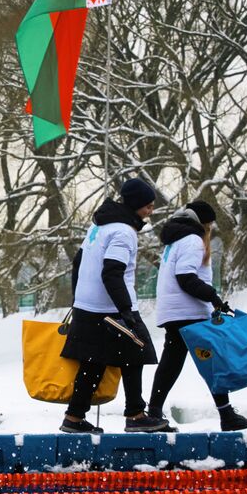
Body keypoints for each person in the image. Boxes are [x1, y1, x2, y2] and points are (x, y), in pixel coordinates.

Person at [61, 178, 170, 434]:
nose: (150, 211)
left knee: (93, 362)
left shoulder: (98, 227)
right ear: (134, 204)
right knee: (136, 353)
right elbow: (112, 272)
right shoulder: (123, 231)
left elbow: (78, 261)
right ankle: (135, 415)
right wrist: (125, 312)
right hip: (110, 308)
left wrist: (78, 299)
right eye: (147, 206)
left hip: (88, 306)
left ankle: (74, 418)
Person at [147, 201, 247, 431]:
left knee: (173, 362)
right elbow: (186, 277)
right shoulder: (192, 240)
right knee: (211, 361)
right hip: (188, 311)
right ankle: (226, 415)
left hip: (176, 311)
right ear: (204, 223)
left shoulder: (177, 239)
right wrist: (213, 297)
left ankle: (155, 413)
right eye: (209, 225)